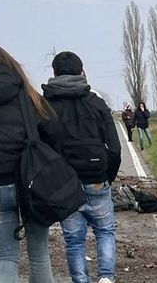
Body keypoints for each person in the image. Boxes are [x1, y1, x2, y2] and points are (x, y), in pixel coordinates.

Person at [42, 51, 121, 283]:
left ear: (54, 73)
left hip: (66, 185)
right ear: (82, 71)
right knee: (105, 231)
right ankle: (106, 278)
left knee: (74, 240)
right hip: (97, 178)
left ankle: (81, 280)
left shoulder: (45, 106)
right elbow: (114, 148)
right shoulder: (96, 103)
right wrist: (108, 176)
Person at [0, 43, 59, 282]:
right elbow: (54, 133)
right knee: (38, 253)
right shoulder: (29, 97)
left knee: (5, 256)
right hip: (31, 183)